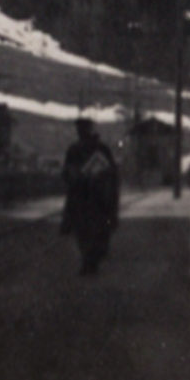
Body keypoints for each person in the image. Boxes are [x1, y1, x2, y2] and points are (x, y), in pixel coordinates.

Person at [61, 117, 121, 275]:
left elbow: (66, 175)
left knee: (83, 231)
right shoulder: (101, 149)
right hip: (97, 198)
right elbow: (113, 175)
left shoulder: (74, 149)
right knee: (95, 230)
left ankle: (88, 261)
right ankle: (90, 261)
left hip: (84, 198)